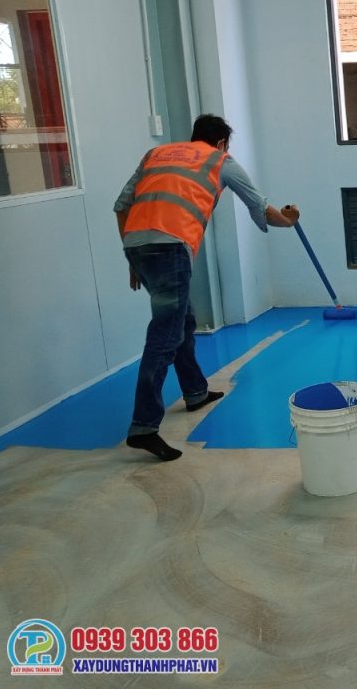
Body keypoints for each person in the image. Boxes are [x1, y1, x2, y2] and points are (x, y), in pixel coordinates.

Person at [114, 114, 299, 461]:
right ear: (221, 143)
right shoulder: (220, 161)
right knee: (165, 335)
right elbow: (260, 208)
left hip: (137, 245)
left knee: (182, 320)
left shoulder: (156, 154)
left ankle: (195, 391)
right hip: (170, 247)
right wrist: (289, 220)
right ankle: (143, 426)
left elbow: (121, 206)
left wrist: (132, 258)